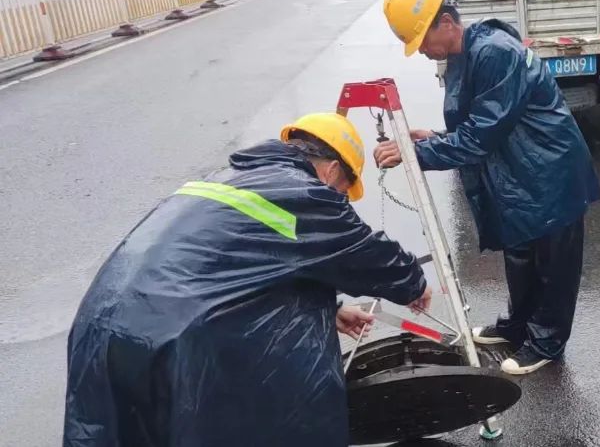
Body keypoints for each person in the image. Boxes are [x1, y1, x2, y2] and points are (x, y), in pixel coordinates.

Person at [64, 113, 431, 447]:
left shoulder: (224, 180)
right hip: (176, 338)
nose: (340, 200)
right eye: (343, 191)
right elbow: (367, 254)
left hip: (101, 324)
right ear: (333, 170)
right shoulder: (304, 192)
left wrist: (330, 309)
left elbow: (233, 265)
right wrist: (415, 284)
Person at [375, 0, 600, 375]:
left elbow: (480, 136)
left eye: (422, 40)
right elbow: (482, 121)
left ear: (447, 22)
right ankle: (518, 326)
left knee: (554, 265)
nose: (422, 51)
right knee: (521, 257)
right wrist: (436, 137)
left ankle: (547, 342)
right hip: (520, 171)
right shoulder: (466, 54)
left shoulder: (495, 52)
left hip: (549, 172)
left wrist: (415, 154)